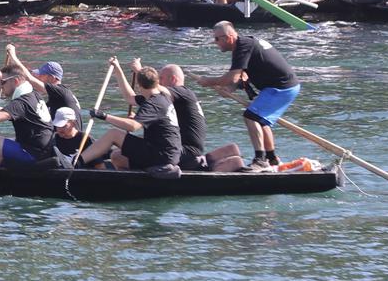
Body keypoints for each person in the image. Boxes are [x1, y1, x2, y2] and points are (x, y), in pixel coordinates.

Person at [198, 21, 301, 169]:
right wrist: (231, 88)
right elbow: (241, 76)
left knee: (251, 116)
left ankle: (260, 159)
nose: (215, 43)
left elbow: (232, 77)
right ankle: (271, 158)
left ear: (229, 37)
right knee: (260, 120)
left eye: (217, 39)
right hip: (278, 87)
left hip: (281, 87)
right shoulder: (242, 46)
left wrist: (209, 81)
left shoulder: (243, 45)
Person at [78, 61, 182, 172]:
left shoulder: (153, 103)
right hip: (169, 154)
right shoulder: (162, 96)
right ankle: (129, 183)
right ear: (156, 82)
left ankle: (77, 162)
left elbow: (133, 126)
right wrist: (118, 69)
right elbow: (129, 97)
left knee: (113, 134)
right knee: (117, 156)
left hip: (161, 155)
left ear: (139, 85)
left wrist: (104, 116)